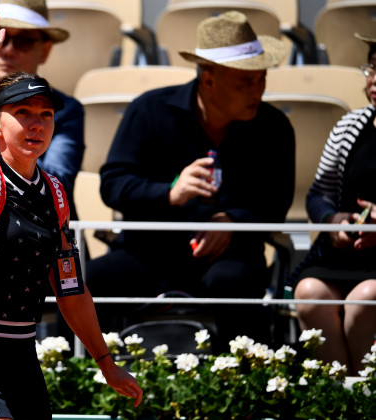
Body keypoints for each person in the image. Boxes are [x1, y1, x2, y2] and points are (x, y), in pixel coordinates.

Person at [0, 10, 142, 419]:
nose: (36, 123)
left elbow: (71, 290)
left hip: (22, 355)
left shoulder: (54, 193)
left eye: (46, 114)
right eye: (22, 113)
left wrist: (105, 362)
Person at [85, 11, 296, 349]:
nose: (257, 90)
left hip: (231, 257)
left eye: (262, 79)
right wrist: (170, 192)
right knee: (89, 281)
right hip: (150, 253)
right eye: (245, 82)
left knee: (233, 282)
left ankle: (242, 385)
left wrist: (232, 222)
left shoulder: (274, 128)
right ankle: (81, 381)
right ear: (208, 79)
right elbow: (113, 185)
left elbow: (276, 201)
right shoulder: (150, 110)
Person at [289, 33, 376, 376]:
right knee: (309, 293)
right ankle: (334, 402)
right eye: (371, 68)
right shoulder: (349, 126)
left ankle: (364, 398)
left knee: (366, 298)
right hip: (342, 255)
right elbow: (318, 195)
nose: (374, 80)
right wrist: (333, 219)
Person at [0, 0, 85, 212]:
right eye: (0, 36)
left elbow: (60, 183)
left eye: (23, 41)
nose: (7, 50)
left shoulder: (66, 109)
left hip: (41, 234)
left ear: (45, 50)